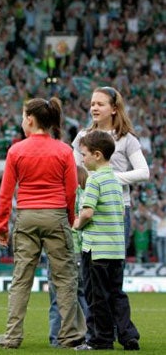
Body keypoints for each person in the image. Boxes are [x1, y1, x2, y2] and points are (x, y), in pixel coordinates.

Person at [0, 97, 86, 349]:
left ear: (31, 120)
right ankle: (68, 335)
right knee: (65, 278)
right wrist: (67, 219)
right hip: (56, 214)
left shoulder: (16, 150)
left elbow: (5, 194)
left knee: (21, 278)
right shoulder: (64, 150)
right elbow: (71, 192)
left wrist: (2, 227)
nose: (22, 121)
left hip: (26, 216)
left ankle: (13, 336)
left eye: (24, 117)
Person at [73, 130, 140, 351]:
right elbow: (121, 213)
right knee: (117, 294)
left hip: (96, 250)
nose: (82, 159)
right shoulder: (115, 180)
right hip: (116, 250)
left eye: (84, 154)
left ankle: (100, 339)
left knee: (96, 296)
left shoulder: (94, 181)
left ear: (97, 155)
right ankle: (128, 335)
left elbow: (88, 213)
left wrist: (77, 223)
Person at [72, 86, 150, 251]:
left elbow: (144, 172)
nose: (94, 108)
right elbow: (74, 171)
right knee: (88, 266)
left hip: (118, 207)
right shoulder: (82, 136)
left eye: (100, 104)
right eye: (92, 104)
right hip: (88, 207)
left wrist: (108, 179)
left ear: (114, 109)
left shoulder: (126, 138)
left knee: (115, 265)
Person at [48, 165, 89, 347]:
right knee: (82, 295)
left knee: (58, 295)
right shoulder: (88, 197)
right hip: (81, 251)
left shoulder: (61, 197)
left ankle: (57, 337)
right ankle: (86, 335)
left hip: (60, 248)